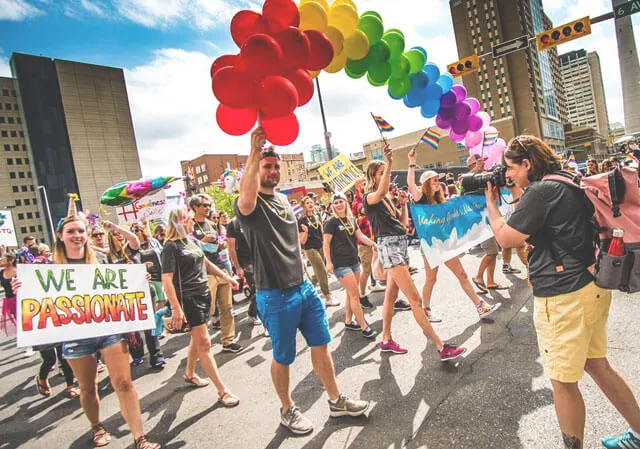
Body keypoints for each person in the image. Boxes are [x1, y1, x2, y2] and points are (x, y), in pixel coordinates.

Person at [485, 134, 640, 449]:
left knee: (562, 382)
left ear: (527, 163)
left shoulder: (541, 192)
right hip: (590, 286)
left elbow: (506, 238)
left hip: (563, 296)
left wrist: (491, 203)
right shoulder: (567, 179)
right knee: (597, 364)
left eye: (510, 168)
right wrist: (518, 190)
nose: (508, 175)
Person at [236, 129, 371, 435]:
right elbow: (245, 196)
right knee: (283, 356)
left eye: (274, 166)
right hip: (274, 294)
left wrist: (307, 275)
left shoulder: (284, 201)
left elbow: (293, 244)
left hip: (304, 288)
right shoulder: (251, 204)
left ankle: (336, 401)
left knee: (321, 344)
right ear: (257, 170)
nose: (271, 170)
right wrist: (253, 152)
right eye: (265, 166)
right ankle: (287, 409)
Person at [12, 213, 160, 449]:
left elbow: (122, 280)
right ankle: (97, 426)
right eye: (70, 231)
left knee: (124, 383)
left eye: (81, 231)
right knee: (88, 388)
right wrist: (21, 287)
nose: (77, 235)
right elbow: (35, 296)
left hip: (109, 331)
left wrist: (138, 280)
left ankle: (139, 437)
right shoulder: (48, 269)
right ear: (60, 236)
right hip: (75, 337)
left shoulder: (100, 263)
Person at [364, 145, 466, 360]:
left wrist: (401, 207)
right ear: (372, 177)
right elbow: (381, 191)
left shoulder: (386, 199)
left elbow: (402, 224)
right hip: (389, 247)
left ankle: (386, 339)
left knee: (391, 298)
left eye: (387, 173)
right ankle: (440, 346)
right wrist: (390, 163)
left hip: (400, 244)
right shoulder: (371, 196)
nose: (388, 177)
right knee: (416, 300)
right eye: (382, 173)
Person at [407, 150, 501, 323]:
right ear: (426, 183)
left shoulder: (443, 200)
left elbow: (463, 194)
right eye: (434, 180)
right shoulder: (420, 199)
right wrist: (412, 162)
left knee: (462, 275)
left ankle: (480, 306)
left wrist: (476, 171)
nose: (438, 182)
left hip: (446, 244)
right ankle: (425, 310)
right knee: (431, 279)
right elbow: (411, 184)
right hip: (430, 246)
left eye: (438, 180)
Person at [161, 207, 240, 407]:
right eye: (187, 219)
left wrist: (227, 277)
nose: (191, 222)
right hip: (188, 299)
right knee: (204, 343)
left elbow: (206, 263)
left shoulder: (193, 241)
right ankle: (223, 391)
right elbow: (166, 280)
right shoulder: (171, 246)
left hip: (203, 295)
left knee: (198, 338)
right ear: (179, 221)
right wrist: (176, 308)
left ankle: (189, 372)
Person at [189, 194, 242, 353]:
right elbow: (188, 248)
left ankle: (228, 340)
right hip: (204, 273)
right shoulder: (190, 226)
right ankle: (199, 346)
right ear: (195, 207)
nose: (207, 208)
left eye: (208, 205)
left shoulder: (212, 224)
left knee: (227, 307)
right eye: (204, 205)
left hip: (220, 268)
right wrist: (203, 241)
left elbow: (220, 244)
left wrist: (220, 245)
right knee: (207, 311)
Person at [323, 193, 377, 339]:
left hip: (354, 261)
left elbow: (360, 236)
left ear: (346, 203)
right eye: (335, 202)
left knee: (350, 293)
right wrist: (328, 262)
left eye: (341, 201)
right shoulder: (331, 222)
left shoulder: (351, 220)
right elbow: (326, 243)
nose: (338, 204)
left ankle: (348, 321)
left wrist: (373, 244)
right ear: (332, 206)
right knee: (355, 295)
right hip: (341, 264)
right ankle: (364, 326)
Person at [466, 155, 509, 293]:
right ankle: (478, 277)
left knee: (494, 252)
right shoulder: (467, 180)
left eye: (482, 161)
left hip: (490, 218)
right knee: (492, 251)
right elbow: (463, 186)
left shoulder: (485, 177)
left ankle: (490, 281)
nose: (481, 163)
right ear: (470, 166)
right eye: (476, 162)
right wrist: (477, 170)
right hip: (479, 222)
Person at [226, 215, 264, 331]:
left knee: (261, 289)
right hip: (245, 262)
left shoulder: (255, 219)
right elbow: (231, 247)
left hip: (259, 259)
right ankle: (265, 324)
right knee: (258, 289)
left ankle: (252, 312)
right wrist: (237, 267)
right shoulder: (233, 224)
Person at [298, 196, 337, 307]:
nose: (310, 204)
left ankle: (306, 291)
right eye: (307, 203)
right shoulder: (301, 220)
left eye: (311, 202)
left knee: (317, 272)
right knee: (321, 270)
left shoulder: (317, 216)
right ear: (304, 206)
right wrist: (305, 232)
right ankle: (328, 296)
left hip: (320, 246)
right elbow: (302, 240)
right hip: (310, 248)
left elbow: (321, 232)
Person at [0, 254, 17, 336]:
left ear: (11, 261)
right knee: (16, 320)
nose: (1, 261)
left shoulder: (17, 271)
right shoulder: (1, 272)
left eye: (3, 260)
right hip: (9, 300)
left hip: (17, 299)